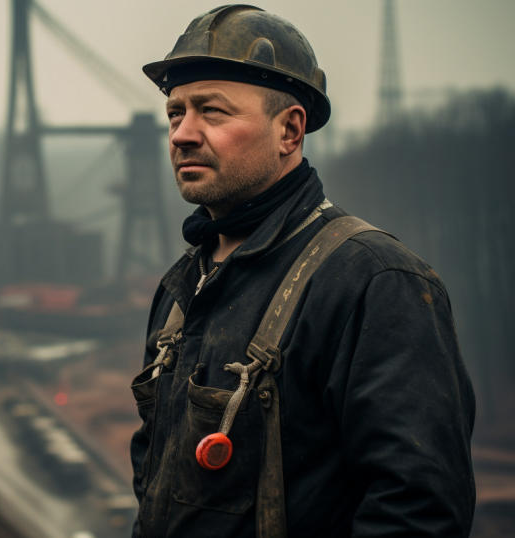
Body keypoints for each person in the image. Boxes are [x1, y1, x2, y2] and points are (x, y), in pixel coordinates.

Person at [129, 5, 476, 537]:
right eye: (176, 113)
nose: (182, 134)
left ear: (290, 130)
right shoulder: (183, 287)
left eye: (212, 112)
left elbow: (416, 512)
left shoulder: (375, 283)